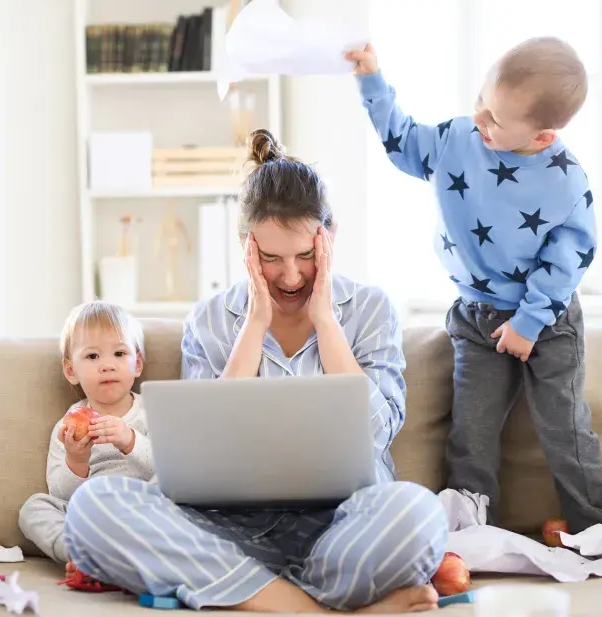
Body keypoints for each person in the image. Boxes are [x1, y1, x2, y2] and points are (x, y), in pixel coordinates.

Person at [60, 129, 449, 613]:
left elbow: (374, 435)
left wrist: (326, 321)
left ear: (330, 236)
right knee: (92, 511)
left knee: (418, 515)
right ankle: (310, 607)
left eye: (306, 255)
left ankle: (257, 597)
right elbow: (199, 451)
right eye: (270, 258)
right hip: (223, 530)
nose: (290, 276)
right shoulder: (210, 320)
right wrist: (256, 323)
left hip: (342, 526)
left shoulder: (369, 311)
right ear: (246, 246)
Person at [345, 37, 602, 533]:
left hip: (548, 320)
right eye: (480, 104)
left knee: (565, 429)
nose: (480, 122)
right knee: (471, 432)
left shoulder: (565, 181)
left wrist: (529, 323)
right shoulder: (458, 139)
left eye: (496, 120)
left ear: (543, 136)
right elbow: (402, 142)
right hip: (477, 316)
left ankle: (595, 528)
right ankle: (468, 531)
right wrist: (370, 78)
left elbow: (569, 257)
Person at [18, 301, 153, 566]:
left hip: (140, 507)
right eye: (93, 356)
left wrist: (130, 440)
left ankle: (125, 555)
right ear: (71, 371)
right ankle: (77, 554)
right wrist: (76, 462)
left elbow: (167, 472)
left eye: (119, 353)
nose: (107, 365)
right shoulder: (67, 426)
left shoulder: (151, 411)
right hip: (89, 516)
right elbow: (61, 493)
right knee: (34, 507)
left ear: (137, 364)